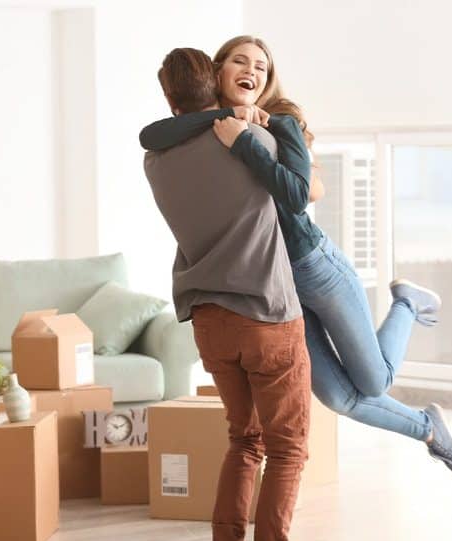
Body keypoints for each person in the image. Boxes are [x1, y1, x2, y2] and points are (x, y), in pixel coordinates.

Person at [140, 36, 452, 480]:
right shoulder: (207, 130)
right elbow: (150, 135)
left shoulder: (279, 122)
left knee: (375, 382)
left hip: (313, 265)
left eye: (261, 66)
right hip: (273, 289)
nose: (251, 71)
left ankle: (407, 304)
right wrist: (224, 118)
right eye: (240, 61)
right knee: (338, 398)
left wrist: (246, 142)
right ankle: (429, 429)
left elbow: (303, 193)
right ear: (217, 72)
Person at [143, 47, 310, 541]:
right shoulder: (254, 139)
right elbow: (300, 191)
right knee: (287, 449)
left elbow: (156, 133)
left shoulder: (156, 161)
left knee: (244, 440)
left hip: (210, 322)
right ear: (216, 82)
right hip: (266, 315)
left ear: (170, 100)